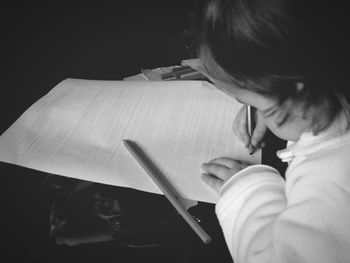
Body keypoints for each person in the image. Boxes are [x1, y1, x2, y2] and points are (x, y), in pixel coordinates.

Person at [197, 0, 350, 262]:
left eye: (257, 106)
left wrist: (250, 192)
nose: (252, 110)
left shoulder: (330, 184)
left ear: (298, 95)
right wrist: (274, 104)